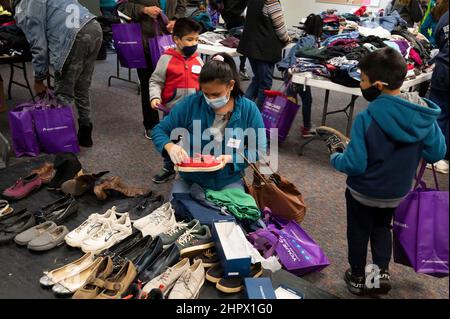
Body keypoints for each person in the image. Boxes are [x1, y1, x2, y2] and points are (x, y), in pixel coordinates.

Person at [328, 47, 446, 296]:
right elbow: (436, 153)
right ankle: (379, 274)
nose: (361, 84)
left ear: (378, 85)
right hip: (397, 193)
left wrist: (336, 158)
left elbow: (355, 164)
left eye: (362, 79)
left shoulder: (367, 117)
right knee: (383, 229)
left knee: (359, 232)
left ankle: (358, 277)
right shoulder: (423, 113)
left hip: (363, 192)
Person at [151, 52, 266, 193]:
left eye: (216, 94)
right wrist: (169, 146)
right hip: (191, 179)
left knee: (237, 214)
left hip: (229, 179)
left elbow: (259, 150)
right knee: (181, 210)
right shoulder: (191, 103)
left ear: (230, 85)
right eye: (205, 93)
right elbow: (159, 130)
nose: (210, 99)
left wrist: (231, 158)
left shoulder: (249, 110)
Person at [13, 0, 103, 147]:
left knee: (63, 93)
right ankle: (85, 135)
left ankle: (65, 146)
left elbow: (38, 46)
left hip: (74, 36)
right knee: (81, 87)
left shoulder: (25, 5)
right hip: (94, 27)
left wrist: (38, 79)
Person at [117, 0, 187, 140]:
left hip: (172, 41)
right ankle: (151, 125)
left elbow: (181, 4)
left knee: (174, 83)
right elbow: (122, 7)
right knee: (149, 84)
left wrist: (176, 19)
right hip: (145, 42)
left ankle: (172, 123)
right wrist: (144, 10)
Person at [149, 18, 204, 184]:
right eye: (189, 39)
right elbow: (155, 81)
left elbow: (204, 85)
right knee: (170, 140)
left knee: (193, 140)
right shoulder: (166, 59)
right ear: (176, 39)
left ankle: (190, 168)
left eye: (196, 39)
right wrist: (155, 96)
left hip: (194, 111)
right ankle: (168, 167)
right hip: (171, 111)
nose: (193, 43)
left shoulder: (198, 60)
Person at [237, 0, 290, 109]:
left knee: (257, 79)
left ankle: (242, 110)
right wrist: (287, 39)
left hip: (251, 46)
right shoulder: (271, 1)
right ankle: (257, 117)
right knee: (264, 85)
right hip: (264, 50)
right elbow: (280, 28)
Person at [278, 14, 323, 137]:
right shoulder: (310, 40)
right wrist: (294, 71)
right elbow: (298, 56)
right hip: (296, 74)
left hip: (292, 73)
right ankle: (305, 128)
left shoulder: (307, 37)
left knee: (291, 101)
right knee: (302, 100)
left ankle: (281, 128)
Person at [428, 11, 449, 173]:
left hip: (443, 67)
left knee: (438, 111)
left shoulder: (447, 15)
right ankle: (444, 157)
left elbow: (438, 36)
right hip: (443, 67)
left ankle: (434, 155)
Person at [209, 0, 250, 80]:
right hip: (233, 14)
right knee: (238, 41)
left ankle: (231, 68)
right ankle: (238, 68)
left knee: (234, 41)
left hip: (231, 13)